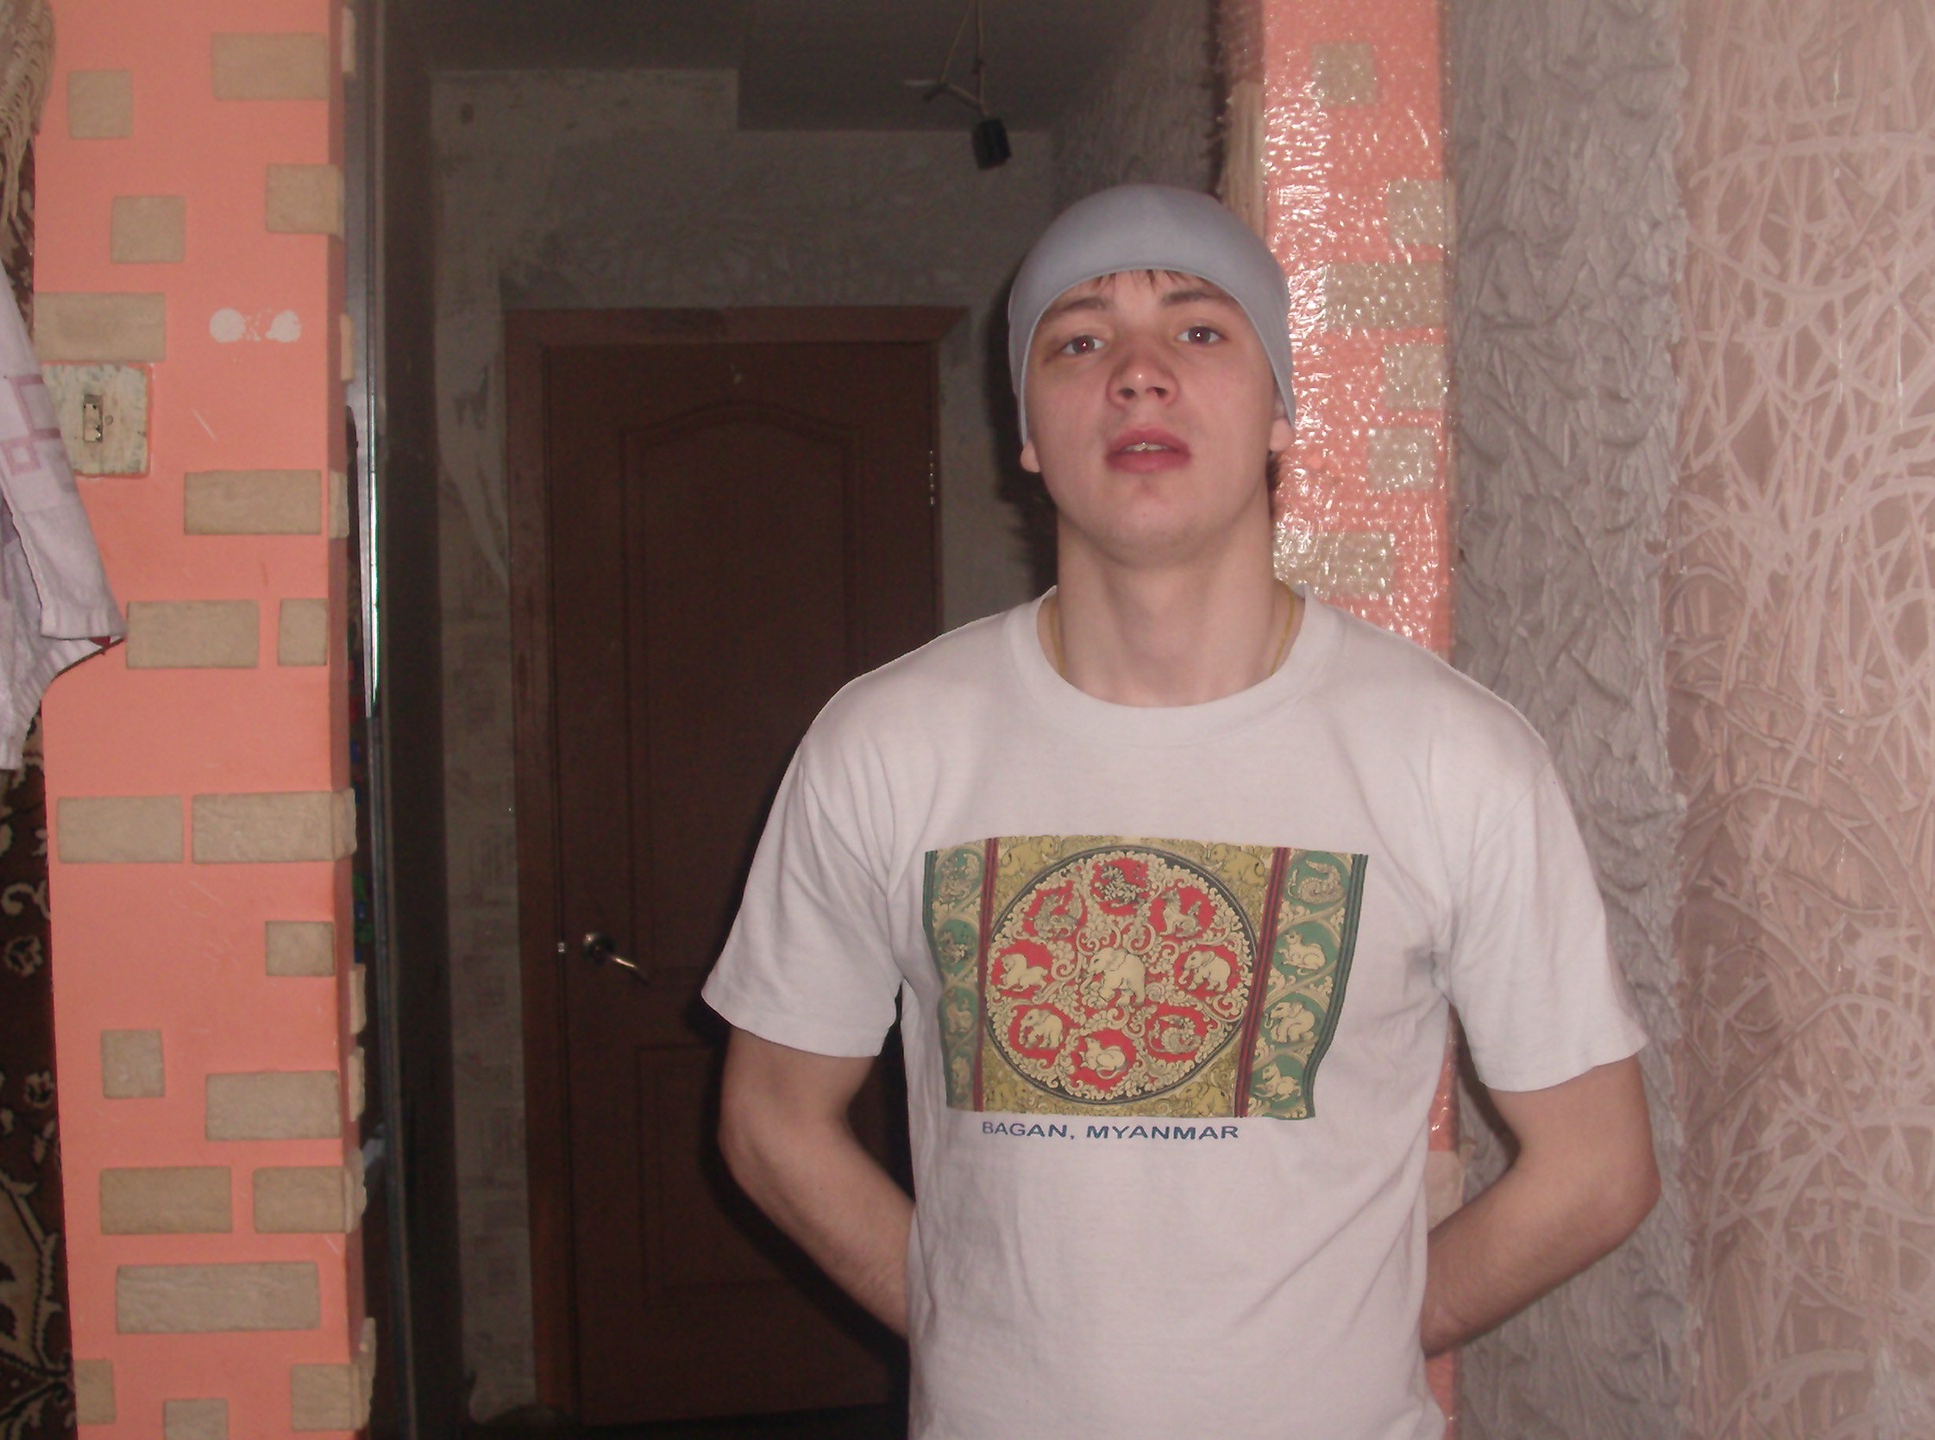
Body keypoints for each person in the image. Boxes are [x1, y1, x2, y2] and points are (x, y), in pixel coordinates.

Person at [706, 183, 1657, 1440]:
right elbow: (772, 1120)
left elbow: (1596, 1168)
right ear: (1027, 433)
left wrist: (1371, 1326)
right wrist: (957, 1320)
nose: (1138, 373)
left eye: (1200, 330)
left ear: (1279, 411)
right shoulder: (884, 747)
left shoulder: (1452, 758)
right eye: (1079, 340)